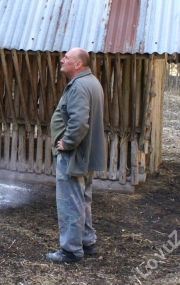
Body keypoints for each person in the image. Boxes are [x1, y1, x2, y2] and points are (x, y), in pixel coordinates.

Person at [46, 48, 106, 263]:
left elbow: (79, 122)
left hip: (75, 154)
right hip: (87, 153)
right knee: (82, 199)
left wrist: (67, 143)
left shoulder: (79, 86)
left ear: (78, 64)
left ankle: (71, 250)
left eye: (67, 58)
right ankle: (86, 242)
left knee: (70, 202)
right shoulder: (91, 82)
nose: (62, 60)